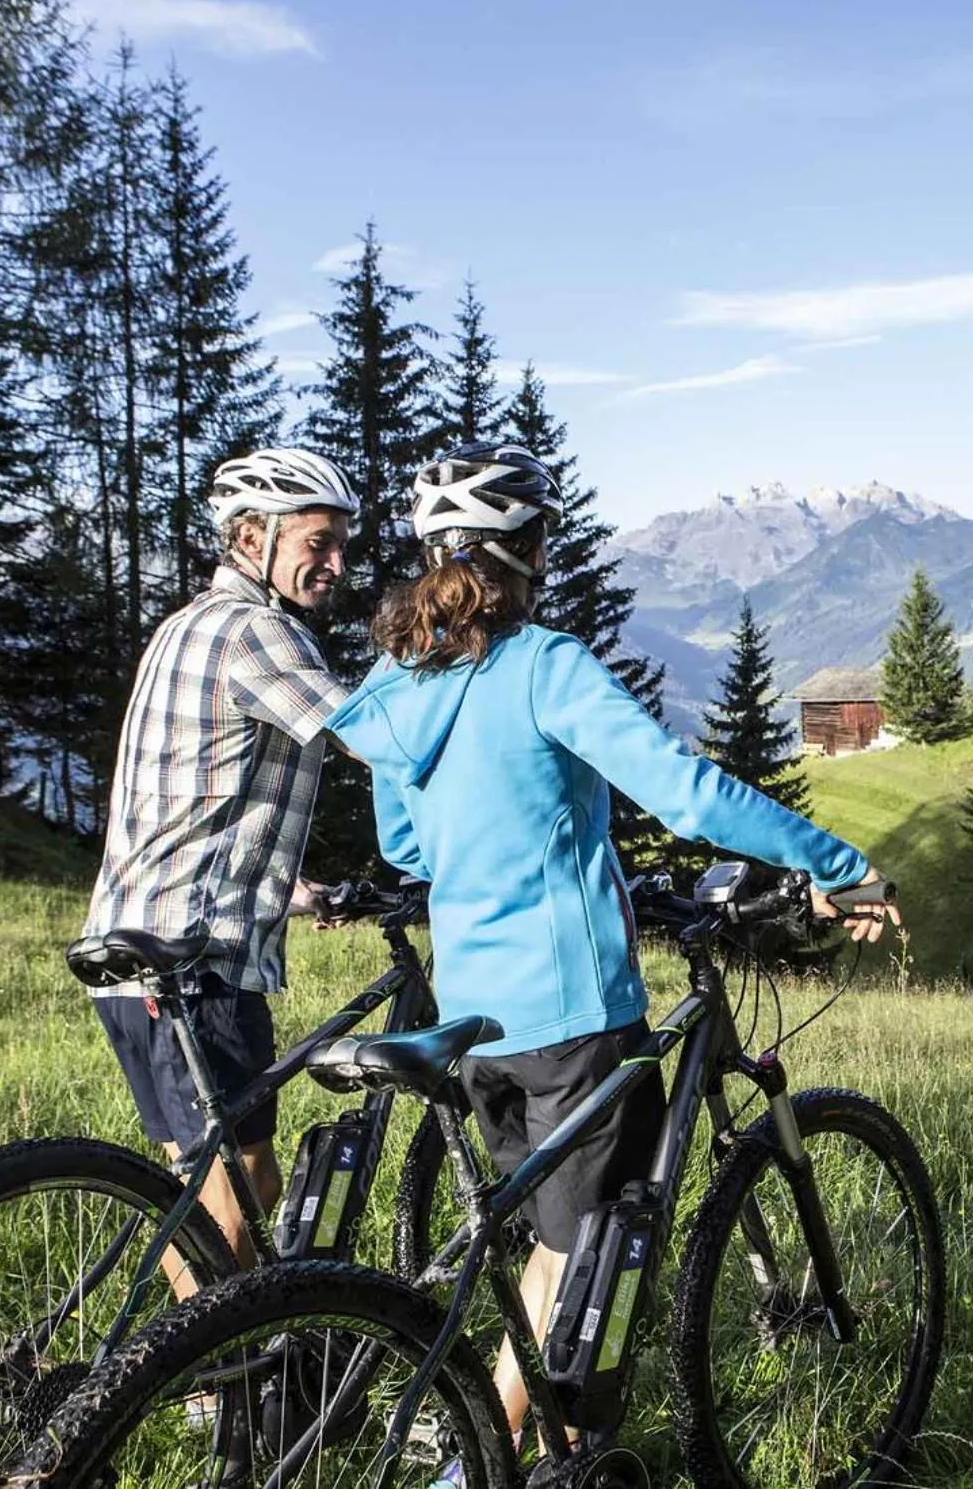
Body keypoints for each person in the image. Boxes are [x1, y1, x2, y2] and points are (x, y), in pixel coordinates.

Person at [325, 441, 898, 1447]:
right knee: (587, 1271)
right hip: (572, 1014)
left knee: (549, 1257)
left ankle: (517, 1442)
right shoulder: (544, 666)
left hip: (474, 1021)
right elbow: (683, 792)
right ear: (527, 551)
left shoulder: (398, 682)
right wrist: (834, 863)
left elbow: (404, 841)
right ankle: (486, 1459)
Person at [79, 447, 360, 1281]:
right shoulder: (255, 632)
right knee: (244, 1185)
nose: (336, 563)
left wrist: (292, 888)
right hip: (199, 964)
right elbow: (372, 735)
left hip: (129, 952)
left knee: (196, 1187)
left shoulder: (185, 624)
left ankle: (197, 1381)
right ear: (251, 535)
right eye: (318, 542)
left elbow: (189, 794)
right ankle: (218, 1391)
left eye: (342, 543)